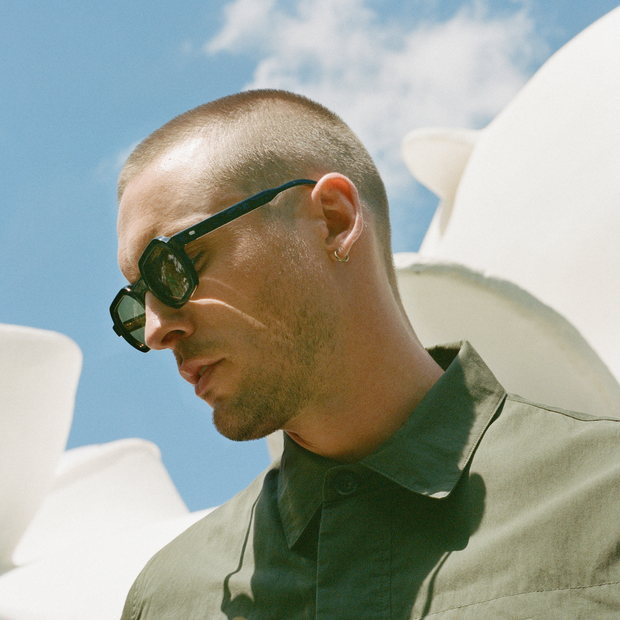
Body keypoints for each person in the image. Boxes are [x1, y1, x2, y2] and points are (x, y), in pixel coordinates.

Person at [111, 90, 620, 619]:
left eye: (174, 265)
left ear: (332, 220)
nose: (155, 330)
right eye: (134, 303)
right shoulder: (169, 600)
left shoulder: (605, 495)